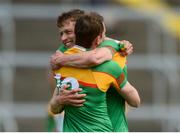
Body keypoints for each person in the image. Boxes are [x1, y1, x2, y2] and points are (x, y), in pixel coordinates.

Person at [49, 13, 140, 132]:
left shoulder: (114, 47)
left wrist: (62, 60)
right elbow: (54, 108)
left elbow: (95, 58)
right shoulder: (62, 54)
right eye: (61, 33)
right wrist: (59, 100)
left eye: (68, 32)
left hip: (114, 128)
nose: (63, 38)